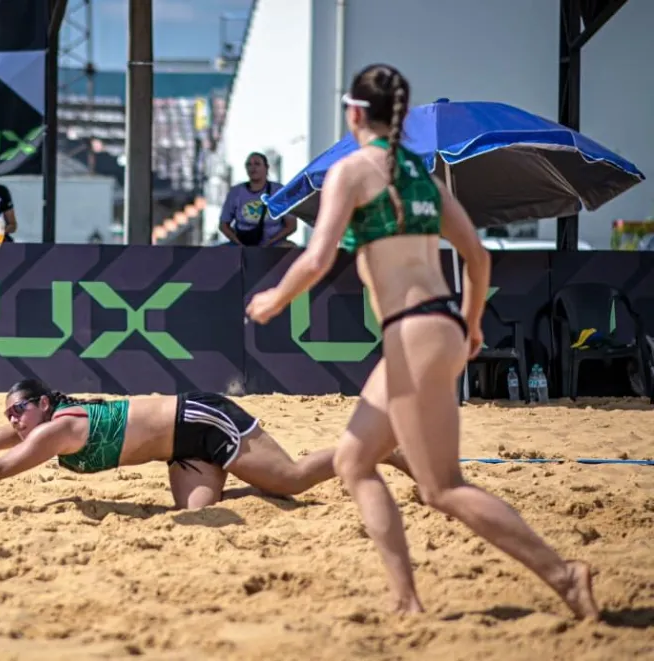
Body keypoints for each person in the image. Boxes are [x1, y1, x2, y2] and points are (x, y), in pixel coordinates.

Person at [245, 63, 598, 620]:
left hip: (412, 332)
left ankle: (564, 575)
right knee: (355, 460)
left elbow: (316, 259)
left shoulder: (351, 171)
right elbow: (477, 258)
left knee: (443, 488)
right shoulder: (423, 180)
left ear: (354, 113)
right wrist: (472, 326)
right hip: (440, 326)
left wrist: (273, 299)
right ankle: (406, 601)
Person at [0, 378, 413, 510]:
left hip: (201, 420)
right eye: (9, 414)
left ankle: (381, 450)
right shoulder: (40, 427)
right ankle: (244, 474)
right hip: (180, 450)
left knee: (292, 480)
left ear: (45, 404)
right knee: (199, 514)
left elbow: (2, 468)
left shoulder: (57, 429)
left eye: (20, 409)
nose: (13, 420)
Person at [219, 152, 298, 248]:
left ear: (266, 168)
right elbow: (223, 225)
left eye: (257, 164)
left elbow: (291, 225)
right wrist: (239, 243)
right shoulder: (235, 192)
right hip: (242, 244)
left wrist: (270, 242)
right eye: (249, 164)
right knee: (216, 252)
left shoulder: (279, 191)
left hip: (274, 244)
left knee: (291, 248)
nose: (253, 168)